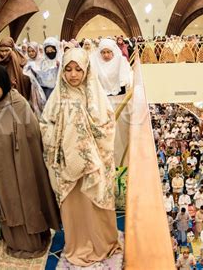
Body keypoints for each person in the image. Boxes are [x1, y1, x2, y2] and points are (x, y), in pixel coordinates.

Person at [40, 48, 121, 266]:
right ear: (62, 72)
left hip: (93, 165)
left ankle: (102, 243)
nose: (73, 75)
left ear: (86, 70)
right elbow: (45, 124)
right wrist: (61, 137)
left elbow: (107, 125)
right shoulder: (57, 97)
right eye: (68, 69)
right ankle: (78, 245)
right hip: (67, 166)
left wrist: (86, 141)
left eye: (78, 69)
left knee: (94, 205)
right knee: (74, 208)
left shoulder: (94, 95)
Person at [0, 66, 60, 258]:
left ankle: (33, 241)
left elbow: (32, 133)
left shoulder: (18, 104)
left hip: (22, 163)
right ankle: (14, 240)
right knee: (7, 201)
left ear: (4, 84)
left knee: (25, 198)